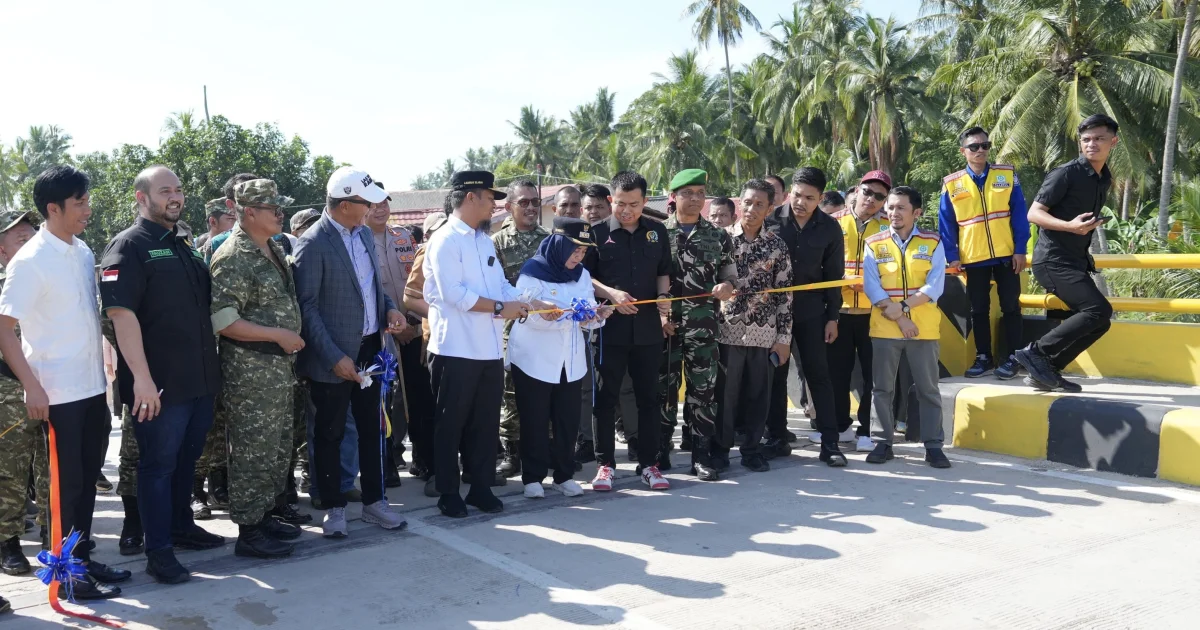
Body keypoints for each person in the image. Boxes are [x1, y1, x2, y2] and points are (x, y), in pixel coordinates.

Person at [0, 165, 131, 599]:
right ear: (53, 208)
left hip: (92, 386)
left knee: (87, 480)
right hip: (57, 393)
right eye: (80, 203)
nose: (88, 210)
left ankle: (82, 558)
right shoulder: (30, 261)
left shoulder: (82, 251)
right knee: (66, 488)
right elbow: (4, 329)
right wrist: (31, 386)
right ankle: (66, 573)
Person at [99, 166, 225, 584]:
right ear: (141, 198)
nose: (175, 197)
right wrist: (142, 380)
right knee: (157, 466)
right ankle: (159, 551)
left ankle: (180, 526)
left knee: (185, 462)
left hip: (199, 380)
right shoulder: (129, 246)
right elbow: (120, 315)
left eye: (179, 190)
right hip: (160, 385)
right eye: (164, 190)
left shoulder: (182, 245)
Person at [294, 166, 409, 538]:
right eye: (366, 202)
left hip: (371, 352)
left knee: (372, 431)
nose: (373, 209)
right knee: (328, 434)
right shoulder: (313, 244)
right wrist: (333, 357)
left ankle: (375, 503)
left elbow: (372, 286)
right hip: (334, 359)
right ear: (345, 205)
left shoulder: (361, 237)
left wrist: (389, 307)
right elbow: (306, 307)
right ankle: (334, 507)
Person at [424, 171, 533, 518]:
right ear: (470, 197)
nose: (494, 204)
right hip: (455, 348)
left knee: (484, 423)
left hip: (487, 348)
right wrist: (504, 308)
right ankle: (448, 491)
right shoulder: (445, 240)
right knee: (450, 424)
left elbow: (501, 286)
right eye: (490, 197)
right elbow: (454, 295)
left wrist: (529, 302)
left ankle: (480, 487)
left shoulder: (483, 240)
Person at [1016, 114, 1118, 393]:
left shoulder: (1103, 179)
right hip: (1052, 260)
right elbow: (1033, 213)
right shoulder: (1066, 173)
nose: (1092, 144)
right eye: (1086, 139)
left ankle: (1045, 370)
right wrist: (1070, 227)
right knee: (1098, 309)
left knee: (1100, 322)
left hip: (1074, 261)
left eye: (1099, 139)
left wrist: (1085, 227)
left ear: (1113, 142)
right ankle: (1036, 352)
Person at [510, 217, 611, 498]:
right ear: (558, 245)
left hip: (570, 359)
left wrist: (596, 316)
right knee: (535, 419)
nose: (578, 257)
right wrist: (547, 314)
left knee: (567, 419)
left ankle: (563, 474)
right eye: (574, 250)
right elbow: (525, 317)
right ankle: (532, 477)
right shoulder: (532, 272)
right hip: (534, 358)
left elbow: (586, 313)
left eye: (582, 252)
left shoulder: (581, 275)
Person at [584, 171, 673, 491]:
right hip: (609, 330)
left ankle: (650, 463)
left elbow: (664, 271)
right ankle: (605, 465)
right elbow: (585, 278)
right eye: (620, 204)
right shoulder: (594, 233)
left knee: (649, 398)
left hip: (648, 329)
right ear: (611, 200)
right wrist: (611, 294)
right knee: (605, 400)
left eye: (633, 204)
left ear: (645, 202)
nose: (626, 210)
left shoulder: (657, 232)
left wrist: (663, 298)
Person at [862, 186, 951, 469]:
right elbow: (871, 286)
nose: (893, 213)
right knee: (882, 389)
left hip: (923, 328)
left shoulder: (933, 241)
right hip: (885, 328)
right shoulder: (874, 243)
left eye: (900, 207)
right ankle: (882, 442)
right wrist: (900, 317)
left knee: (928, 389)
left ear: (916, 212)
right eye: (890, 207)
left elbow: (934, 285)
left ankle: (934, 445)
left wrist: (903, 307)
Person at [764, 167, 846, 466]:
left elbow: (834, 276)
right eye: (797, 195)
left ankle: (830, 443)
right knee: (775, 376)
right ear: (789, 193)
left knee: (818, 376)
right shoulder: (770, 221)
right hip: (772, 314)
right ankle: (776, 438)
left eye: (809, 198)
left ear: (820, 198)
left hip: (812, 312)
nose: (801, 202)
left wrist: (833, 317)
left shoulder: (829, 228)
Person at [659, 169, 736, 480]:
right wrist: (662, 316)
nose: (695, 199)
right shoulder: (656, 234)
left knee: (703, 392)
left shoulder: (718, 236)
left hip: (704, 327)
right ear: (674, 196)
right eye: (688, 193)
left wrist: (728, 288)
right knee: (663, 389)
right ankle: (660, 451)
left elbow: (730, 275)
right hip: (666, 327)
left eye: (700, 193)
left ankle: (701, 455)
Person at [940, 126, 1029, 380]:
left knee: (1011, 306)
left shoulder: (1007, 174)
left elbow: (1019, 214)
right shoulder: (952, 183)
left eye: (985, 145)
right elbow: (946, 223)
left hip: (1006, 254)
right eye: (974, 147)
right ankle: (983, 358)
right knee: (978, 309)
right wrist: (952, 255)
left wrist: (1020, 249)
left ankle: (1013, 356)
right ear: (963, 151)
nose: (980, 150)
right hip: (973, 257)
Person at [716, 179, 792, 473]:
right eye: (747, 202)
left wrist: (783, 338)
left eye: (759, 204)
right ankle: (721, 450)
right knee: (726, 394)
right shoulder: (720, 239)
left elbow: (785, 294)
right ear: (739, 202)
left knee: (759, 395)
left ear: (770, 208)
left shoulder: (776, 245)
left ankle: (751, 449)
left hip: (764, 332)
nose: (751, 209)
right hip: (727, 329)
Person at [828, 171, 892, 454]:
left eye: (880, 196)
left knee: (872, 375)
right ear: (856, 190)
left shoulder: (889, 227)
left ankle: (867, 429)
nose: (871, 199)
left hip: (874, 313)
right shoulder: (832, 223)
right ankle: (841, 426)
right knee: (837, 373)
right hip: (838, 312)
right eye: (867, 192)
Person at [491, 180, 551, 479]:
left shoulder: (550, 240)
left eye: (534, 202)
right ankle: (512, 453)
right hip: (512, 328)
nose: (530, 207)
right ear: (508, 207)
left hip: (546, 330)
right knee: (511, 392)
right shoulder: (496, 243)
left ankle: (542, 450)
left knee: (546, 387)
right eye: (523, 202)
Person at [366, 181, 420, 484]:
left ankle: (421, 457)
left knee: (415, 396)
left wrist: (410, 325)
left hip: (411, 329)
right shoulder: (359, 240)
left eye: (384, 201)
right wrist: (393, 328)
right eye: (373, 203)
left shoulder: (403, 237)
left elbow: (414, 285)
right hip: (380, 333)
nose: (381, 208)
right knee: (381, 399)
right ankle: (385, 462)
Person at [0, 210, 43, 577]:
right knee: (11, 470)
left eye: (32, 236)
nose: (29, 244)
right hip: (10, 388)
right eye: (19, 239)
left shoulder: (48, 273)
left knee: (50, 465)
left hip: (55, 382)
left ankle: (53, 534)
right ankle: (8, 542)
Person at [403, 208, 448, 493]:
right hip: (430, 343)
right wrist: (443, 315)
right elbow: (411, 298)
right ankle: (430, 467)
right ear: (429, 233)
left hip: (457, 344)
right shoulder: (427, 252)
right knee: (429, 410)